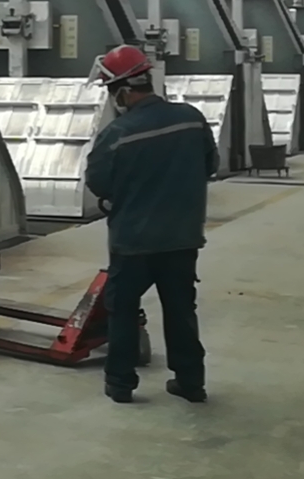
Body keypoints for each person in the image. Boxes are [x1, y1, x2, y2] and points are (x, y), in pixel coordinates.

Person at [84, 44, 219, 405]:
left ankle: (120, 383)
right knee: (181, 309)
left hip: (133, 241)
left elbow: (98, 182)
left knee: (123, 311)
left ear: (123, 91)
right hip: (182, 238)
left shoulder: (117, 133)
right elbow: (210, 164)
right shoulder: (191, 118)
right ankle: (191, 382)